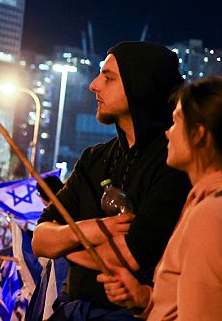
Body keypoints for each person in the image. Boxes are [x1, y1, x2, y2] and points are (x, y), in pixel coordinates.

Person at [97, 78, 222, 320]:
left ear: (198, 135)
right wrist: (145, 299)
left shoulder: (215, 217)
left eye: (175, 122)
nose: (167, 132)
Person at [32, 41, 192, 320]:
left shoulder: (173, 161)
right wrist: (91, 230)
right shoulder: (94, 158)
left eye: (108, 78)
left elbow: (129, 256)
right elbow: (40, 239)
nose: (94, 85)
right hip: (72, 309)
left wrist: (66, 246)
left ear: (140, 86)